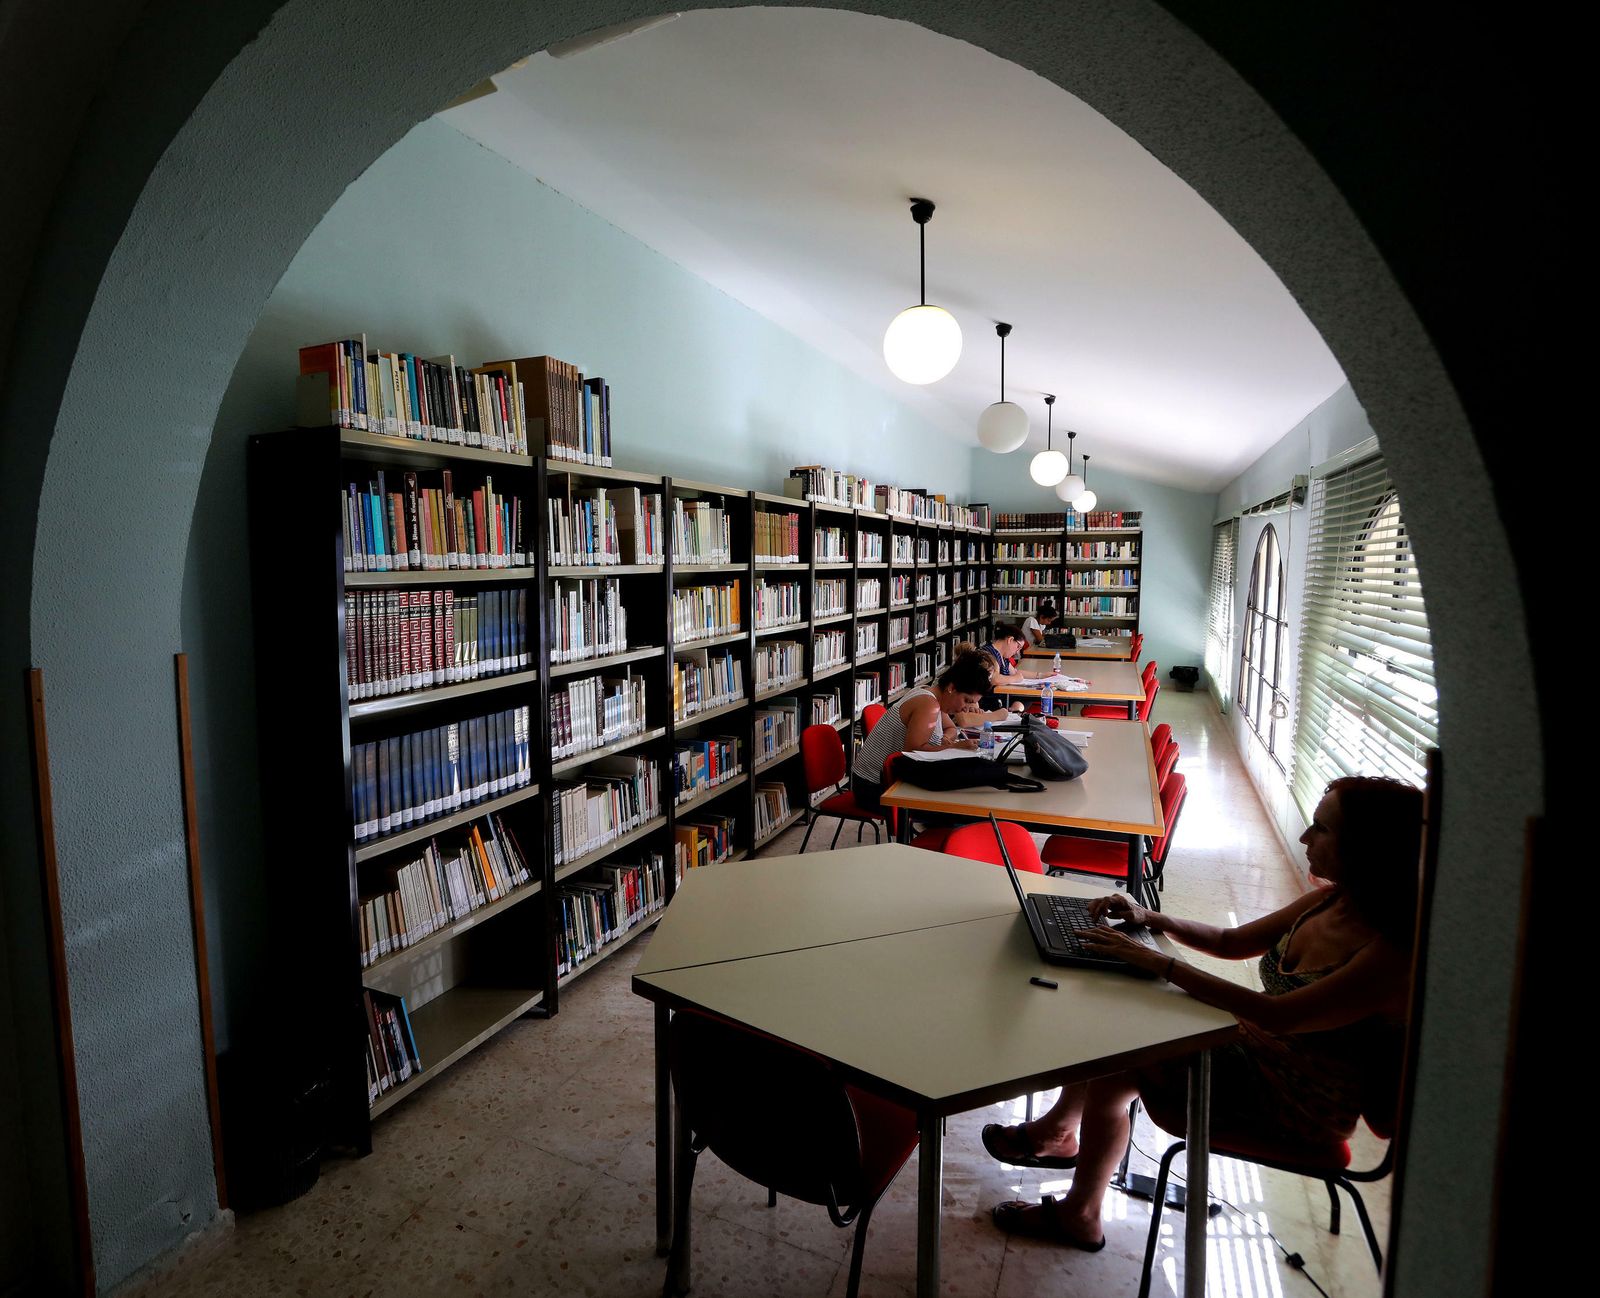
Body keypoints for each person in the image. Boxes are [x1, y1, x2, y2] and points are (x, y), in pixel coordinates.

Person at [984, 775, 1421, 1251]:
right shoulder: (1330, 900)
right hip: (1259, 1049)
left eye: (1321, 829)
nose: (1304, 838)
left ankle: (1080, 1213)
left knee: (1118, 1060)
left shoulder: (1391, 954)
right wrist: (1149, 918)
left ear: (1369, 849)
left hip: (1298, 1103)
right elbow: (1230, 942)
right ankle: (1058, 1132)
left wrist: (1160, 963)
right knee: (1121, 1022)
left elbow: (1277, 1016)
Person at [849, 652, 990, 810]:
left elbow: (950, 728)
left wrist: (945, 739)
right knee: (957, 807)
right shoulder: (928, 704)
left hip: (884, 780)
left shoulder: (936, 698)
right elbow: (914, 751)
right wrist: (954, 747)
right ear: (951, 688)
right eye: (966, 700)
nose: (966, 708)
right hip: (874, 787)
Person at [950, 638, 1027, 728]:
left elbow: (973, 712)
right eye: (990, 677)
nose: (990, 681)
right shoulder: (959, 686)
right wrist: (998, 715)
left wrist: (977, 712)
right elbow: (964, 721)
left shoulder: (971, 690)